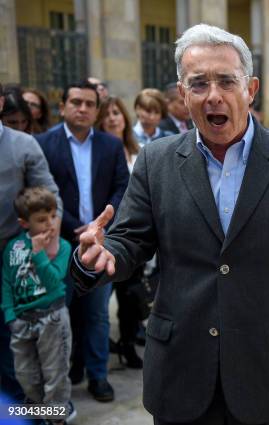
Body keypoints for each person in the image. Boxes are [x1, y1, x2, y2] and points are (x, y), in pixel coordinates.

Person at [70, 24, 269, 425]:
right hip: (180, 369)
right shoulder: (155, 161)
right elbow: (128, 241)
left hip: (267, 374)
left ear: (251, 89)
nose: (214, 95)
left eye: (227, 81)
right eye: (198, 84)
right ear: (181, 93)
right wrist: (100, 256)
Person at [35, 80, 129, 402]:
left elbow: (122, 187)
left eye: (90, 104)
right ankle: (66, 375)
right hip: (59, 245)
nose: (83, 108)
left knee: (98, 315)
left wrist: (102, 223)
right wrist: (78, 227)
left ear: (97, 110)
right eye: (76, 102)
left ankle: (98, 375)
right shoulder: (43, 144)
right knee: (61, 315)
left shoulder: (111, 145)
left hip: (99, 245)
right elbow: (44, 194)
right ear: (62, 107)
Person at [0, 82, 63, 403]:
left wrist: (48, 248)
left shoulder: (23, 145)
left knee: (29, 358)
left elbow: (50, 197)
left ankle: (40, 414)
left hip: (18, 264)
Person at [1, 187, 76, 424]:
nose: (50, 224)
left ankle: (56, 419)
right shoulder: (13, 248)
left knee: (55, 375)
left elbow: (54, 281)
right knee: (26, 375)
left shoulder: (61, 246)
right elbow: (6, 282)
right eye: (41, 220)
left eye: (53, 216)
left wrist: (39, 254)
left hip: (52, 317)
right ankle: (38, 415)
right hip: (22, 322)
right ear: (24, 223)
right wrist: (10, 316)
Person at [95, 96, 144, 368]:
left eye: (117, 113)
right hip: (108, 235)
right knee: (103, 303)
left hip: (136, 236)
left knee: (130, 299)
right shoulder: (100, 152)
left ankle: (128, 343)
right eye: (107, 114)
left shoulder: (140, 151)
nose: (113, 118)